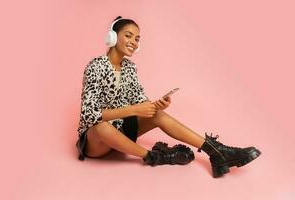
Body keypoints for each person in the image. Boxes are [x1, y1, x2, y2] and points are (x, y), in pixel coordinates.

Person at [76, 16, 261, 178]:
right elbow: (88, 113)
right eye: (128, 35)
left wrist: (155, 106)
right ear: (113, 37)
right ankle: (153, 157)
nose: (134, 41)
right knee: (101, 127)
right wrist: (133, 110)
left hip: (123, 132)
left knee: (158, 116)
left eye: (138, 38)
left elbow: (139, 99)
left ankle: (216, 152)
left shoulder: (130, 68)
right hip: (97, 143)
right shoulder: (95, 66)